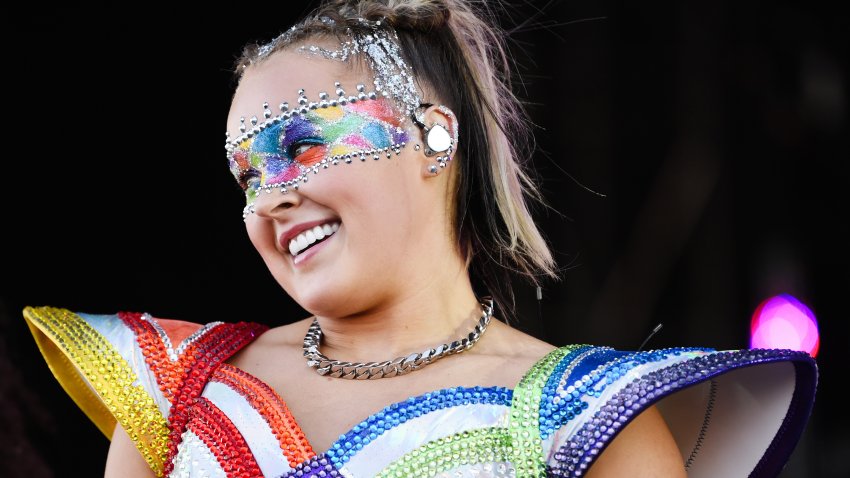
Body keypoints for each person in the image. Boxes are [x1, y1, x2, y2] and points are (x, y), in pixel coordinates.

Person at [22, 1, 817, 477]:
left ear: (435, 135)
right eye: (247, 177)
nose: (272, 197)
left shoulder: (588, 420)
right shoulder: (177, 393)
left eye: (302, 146)